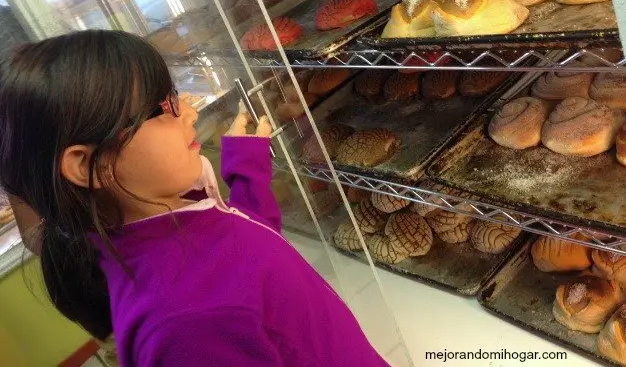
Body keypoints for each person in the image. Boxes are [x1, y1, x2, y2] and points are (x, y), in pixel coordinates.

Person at [0, 30, 389, 367]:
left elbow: (246, 253)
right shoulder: (188, 324)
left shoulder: (164, 216)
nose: (187, 111)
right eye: (164, 107)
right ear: (88, 166)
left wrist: (248, 165)